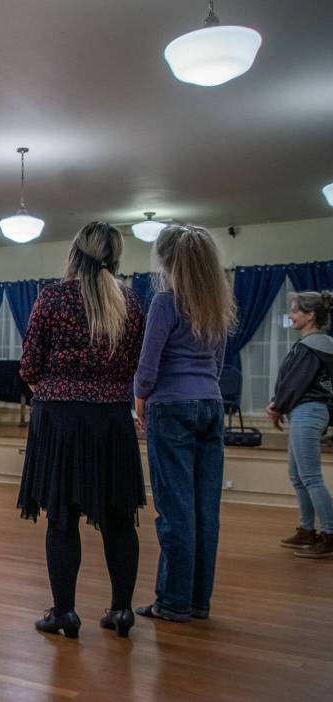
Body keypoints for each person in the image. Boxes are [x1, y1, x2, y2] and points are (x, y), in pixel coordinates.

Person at [17, 221, 146, 639]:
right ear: (116, 255)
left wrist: (56, 391)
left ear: (75, 253)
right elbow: (132, 368)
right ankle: (122, 612)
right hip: (112, 420)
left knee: (62, 519)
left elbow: (29, 366)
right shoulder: (130, 302)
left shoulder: (52, 297)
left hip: (60, 420)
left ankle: (65, 613)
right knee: (119, 521)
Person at [134, 224, 235, 623]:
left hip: (171, 407)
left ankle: (173, 603)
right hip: (210, 404)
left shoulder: (165, 301)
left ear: (167, 261)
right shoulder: (217, 302)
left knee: (175, 511)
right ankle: (197, 601)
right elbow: (219, 364)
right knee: (205, 510)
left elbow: (148, 364)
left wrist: (139, 401)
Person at [268, 291, 333, 559]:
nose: (291, 316)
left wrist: (276, 405)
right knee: (298, 476)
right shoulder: (321, 343)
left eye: (295, 311)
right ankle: (307, 530)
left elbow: (294, 383)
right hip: (307, 413)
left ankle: (330, 534)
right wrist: (281, 403)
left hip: (307, 413)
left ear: (310, 315)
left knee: (310, 477)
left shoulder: (310, 346)